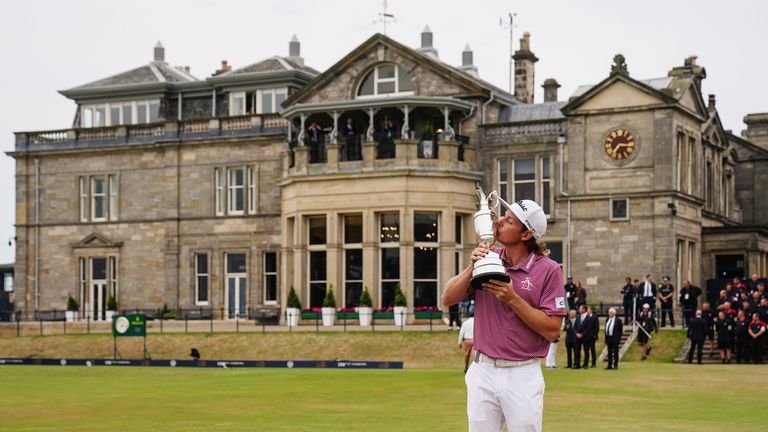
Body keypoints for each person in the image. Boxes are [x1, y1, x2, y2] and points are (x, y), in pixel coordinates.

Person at [442, 198, 565, 432]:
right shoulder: (489, 256)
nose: (498, 221)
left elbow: (552, 329)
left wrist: (512, 299)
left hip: (522, 372)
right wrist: (472, 266)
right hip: (483, 368)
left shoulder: (549, 270)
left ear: (526, 234)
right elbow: (447, 299)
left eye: (509, 220)